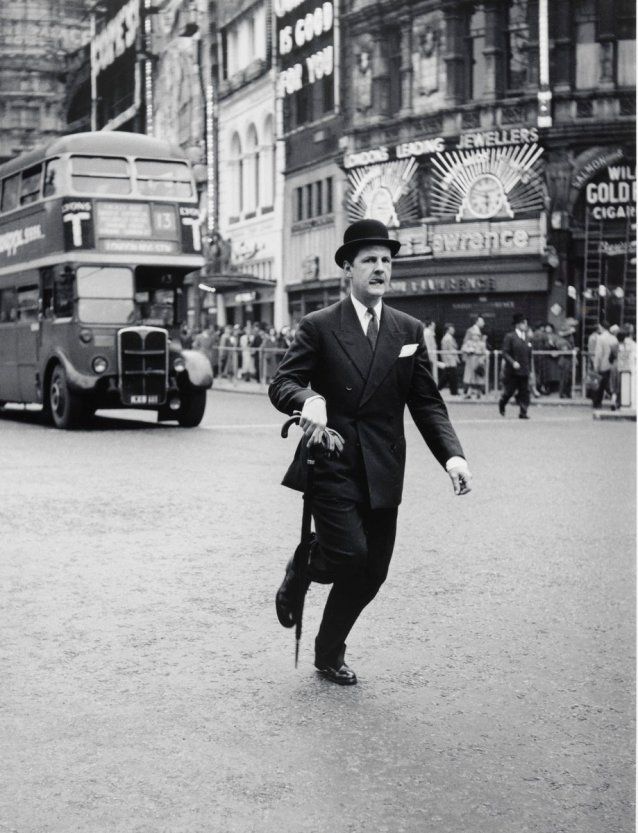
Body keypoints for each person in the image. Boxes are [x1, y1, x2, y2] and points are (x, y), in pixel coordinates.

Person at [269, 219, 472, 686]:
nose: (380, 268)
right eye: (369, 260)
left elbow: (426, 403)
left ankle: (328, 652)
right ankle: (302, 565)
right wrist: (308, 400)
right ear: (348, 268)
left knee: (373, 572)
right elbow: (283, 382)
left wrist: (453, 457)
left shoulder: (408, 329)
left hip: (383, 467)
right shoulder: (320, 325)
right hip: (332, 461)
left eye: (386, 260)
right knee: (347, 555)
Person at [499, 312, 533, 419]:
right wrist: (513, 362)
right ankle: (502, 403)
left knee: (525, 392)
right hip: (512, 371)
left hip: (524, 370)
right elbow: (505, 352)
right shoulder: (510, 337)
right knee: (510, 391)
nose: (525, 325)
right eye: (523, 323)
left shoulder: (527, 337)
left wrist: (530, 369)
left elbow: (529, 355)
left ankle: (523, 412)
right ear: (517, 324)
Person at [591, 321, 618, 409]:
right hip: (612, 365)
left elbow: (598, 354)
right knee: (611, 384)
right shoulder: (614, 338)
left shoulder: (600, 338)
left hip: (603, 364)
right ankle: (615, 400)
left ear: (601, 327)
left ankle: (597, 403)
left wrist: (596, 365)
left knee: (600, 385)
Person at [461, 329, 487, 399]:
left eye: (477, 336)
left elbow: (484, 353)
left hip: (478, 362)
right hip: (470, 363)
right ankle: (469, 393)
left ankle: (478, 393)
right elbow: (463, 349)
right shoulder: (468, 343)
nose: (475, 337)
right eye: (474, 335)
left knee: (478, 378)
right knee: (470, 378)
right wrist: (468, 350)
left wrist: (481, 359)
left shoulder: (482, 344)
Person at [438, 322, 459, 395]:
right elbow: (450, 349)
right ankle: (454, 391)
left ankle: (439, 388)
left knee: (447, 376)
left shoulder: (448, 337)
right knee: (452, 375)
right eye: (452, 329)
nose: (454, 330)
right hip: (450, 359)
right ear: (448, 329)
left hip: (449, 359)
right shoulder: (448, 338)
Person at [422, 319, 439, 385]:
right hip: (430, 355)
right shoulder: (428, 332)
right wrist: (431, 356)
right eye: (433, 326)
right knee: (431, 371)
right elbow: (429, 345)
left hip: (429, 354)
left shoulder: (427, 332)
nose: (434, 327)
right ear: (430, 325)